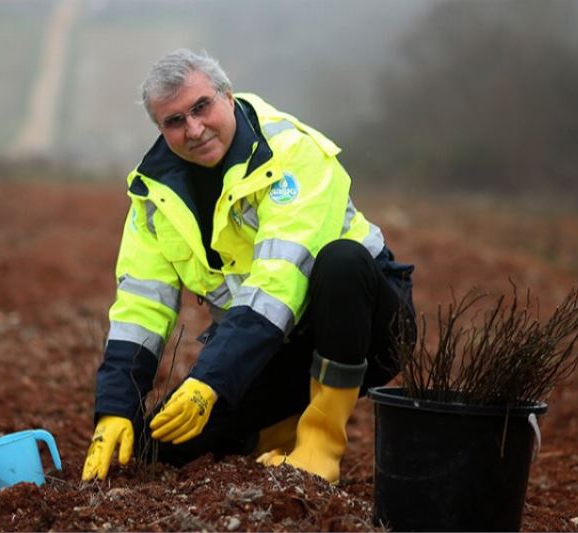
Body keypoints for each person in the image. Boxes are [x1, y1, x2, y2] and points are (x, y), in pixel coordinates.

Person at [81, 48, 415, 484]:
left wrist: (210, 380)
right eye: (175, 121)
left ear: (227, 95)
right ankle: (277, 429)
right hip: (274, 345)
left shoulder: (292, 153)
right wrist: (115, 408)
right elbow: (141, 304)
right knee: (160, 448)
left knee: (341, 262)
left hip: (369, 327)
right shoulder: (153, 196)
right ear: (160, 129)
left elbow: (279, 283)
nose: (194, 129)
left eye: (201, 107)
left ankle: (319, 442)